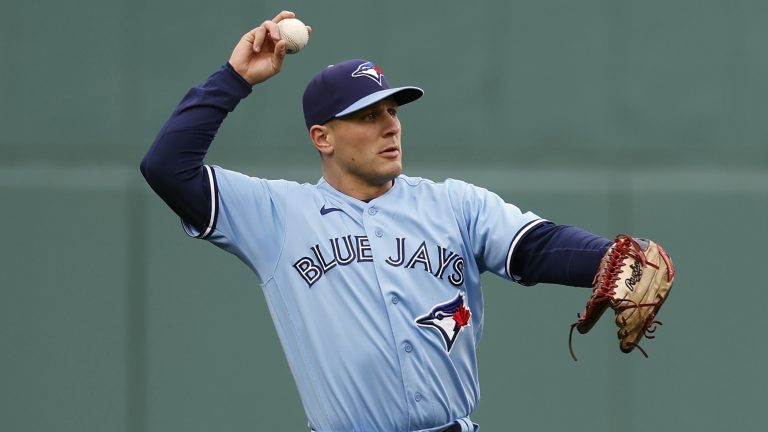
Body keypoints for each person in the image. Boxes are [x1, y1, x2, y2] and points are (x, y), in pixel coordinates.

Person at [141, 11, 615, 432]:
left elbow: (536, 246)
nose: (390, 125)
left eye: (391, 110)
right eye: (367, 115)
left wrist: (612, 256)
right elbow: (167, 167)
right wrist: (234, 78)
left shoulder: (454, 205)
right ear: (322, 137)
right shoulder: (277, 215)